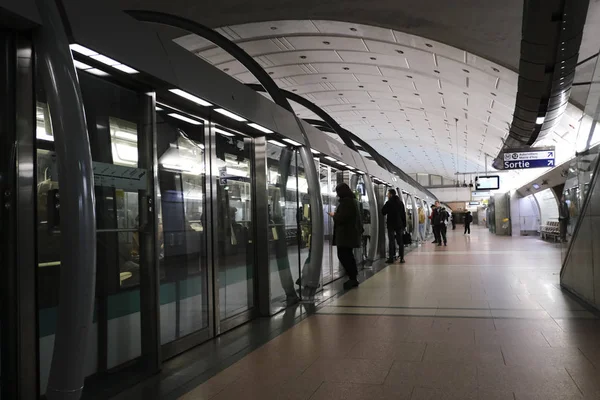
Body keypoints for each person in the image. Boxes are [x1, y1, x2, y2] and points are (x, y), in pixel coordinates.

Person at [329, 182, 364, 289]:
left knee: (344, 256)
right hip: (349, 234)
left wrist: (334, 215)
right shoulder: (352, 201)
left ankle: (353, 278)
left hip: (346, 235)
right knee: (348, 256)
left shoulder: (346, 202)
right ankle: (353, 277)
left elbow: (342, 218)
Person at [382, 189, 407, 264]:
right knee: (400, 242)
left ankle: (391, 258)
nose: (387, 195)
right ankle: (402, 258)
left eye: (388, 194)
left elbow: (383, 211)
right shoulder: (400, 203)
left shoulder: (389, 202)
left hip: (391, 225)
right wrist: (404, 225)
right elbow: (403, 214)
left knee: (391, 241)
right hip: (399, 225)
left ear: (391, 194)